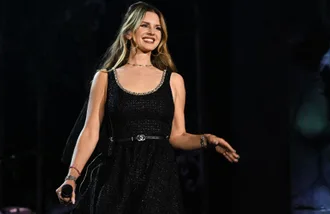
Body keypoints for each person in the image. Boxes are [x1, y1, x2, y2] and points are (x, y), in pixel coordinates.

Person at [55, 1, 240, 213]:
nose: (152, 31)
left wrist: (206, 140)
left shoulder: (173, 80)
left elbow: (177, 136)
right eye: (145, 25)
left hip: (158, 175)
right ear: (128, 33)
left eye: (158, 27)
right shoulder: (106, 78)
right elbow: (90, 132)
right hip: (116, 174)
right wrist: (72, 177)